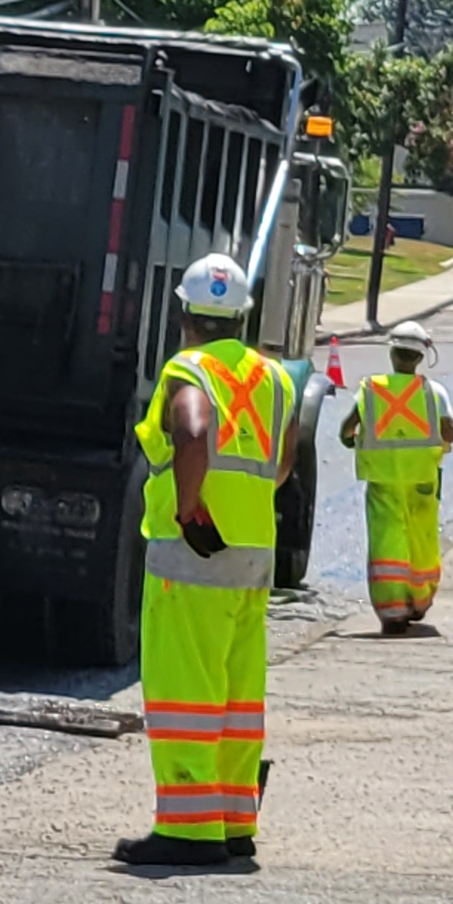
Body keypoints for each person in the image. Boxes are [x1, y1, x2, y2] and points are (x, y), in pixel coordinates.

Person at [114, 252, 296, 872]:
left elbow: (193, 431)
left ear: (184, 314)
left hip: (193, 555)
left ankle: (189, 830)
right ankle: (233, 821)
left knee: (186, 689)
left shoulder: (187, 369)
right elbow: (284, 459)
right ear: (242, 316)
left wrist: (190, 508)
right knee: (237, 693)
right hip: (252, 552)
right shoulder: (274, 378)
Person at [344, 318, 453, 633]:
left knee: (387, 541)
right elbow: (450, 432)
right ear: (421, 357)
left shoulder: (371, 390)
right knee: (421, 539)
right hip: (423, 480)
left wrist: (355, 440)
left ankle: (392, 611)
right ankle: (420, 600)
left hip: (383, 480)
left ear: (392, 353)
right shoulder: (434, 392)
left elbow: (346, 429)